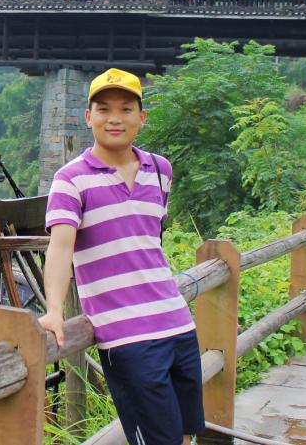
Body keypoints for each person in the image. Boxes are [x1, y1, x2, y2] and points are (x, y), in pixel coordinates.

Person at [39, 68, 204, 445]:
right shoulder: (70, 179)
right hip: (128, 336)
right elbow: (61, 249)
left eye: (126, 109)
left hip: (178, 324)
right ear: (88, 116)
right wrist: (53, 310)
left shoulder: (160, 170)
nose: (115, 118)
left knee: (186, 436)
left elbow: (149, 240)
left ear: (141, 117)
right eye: (104, 109)